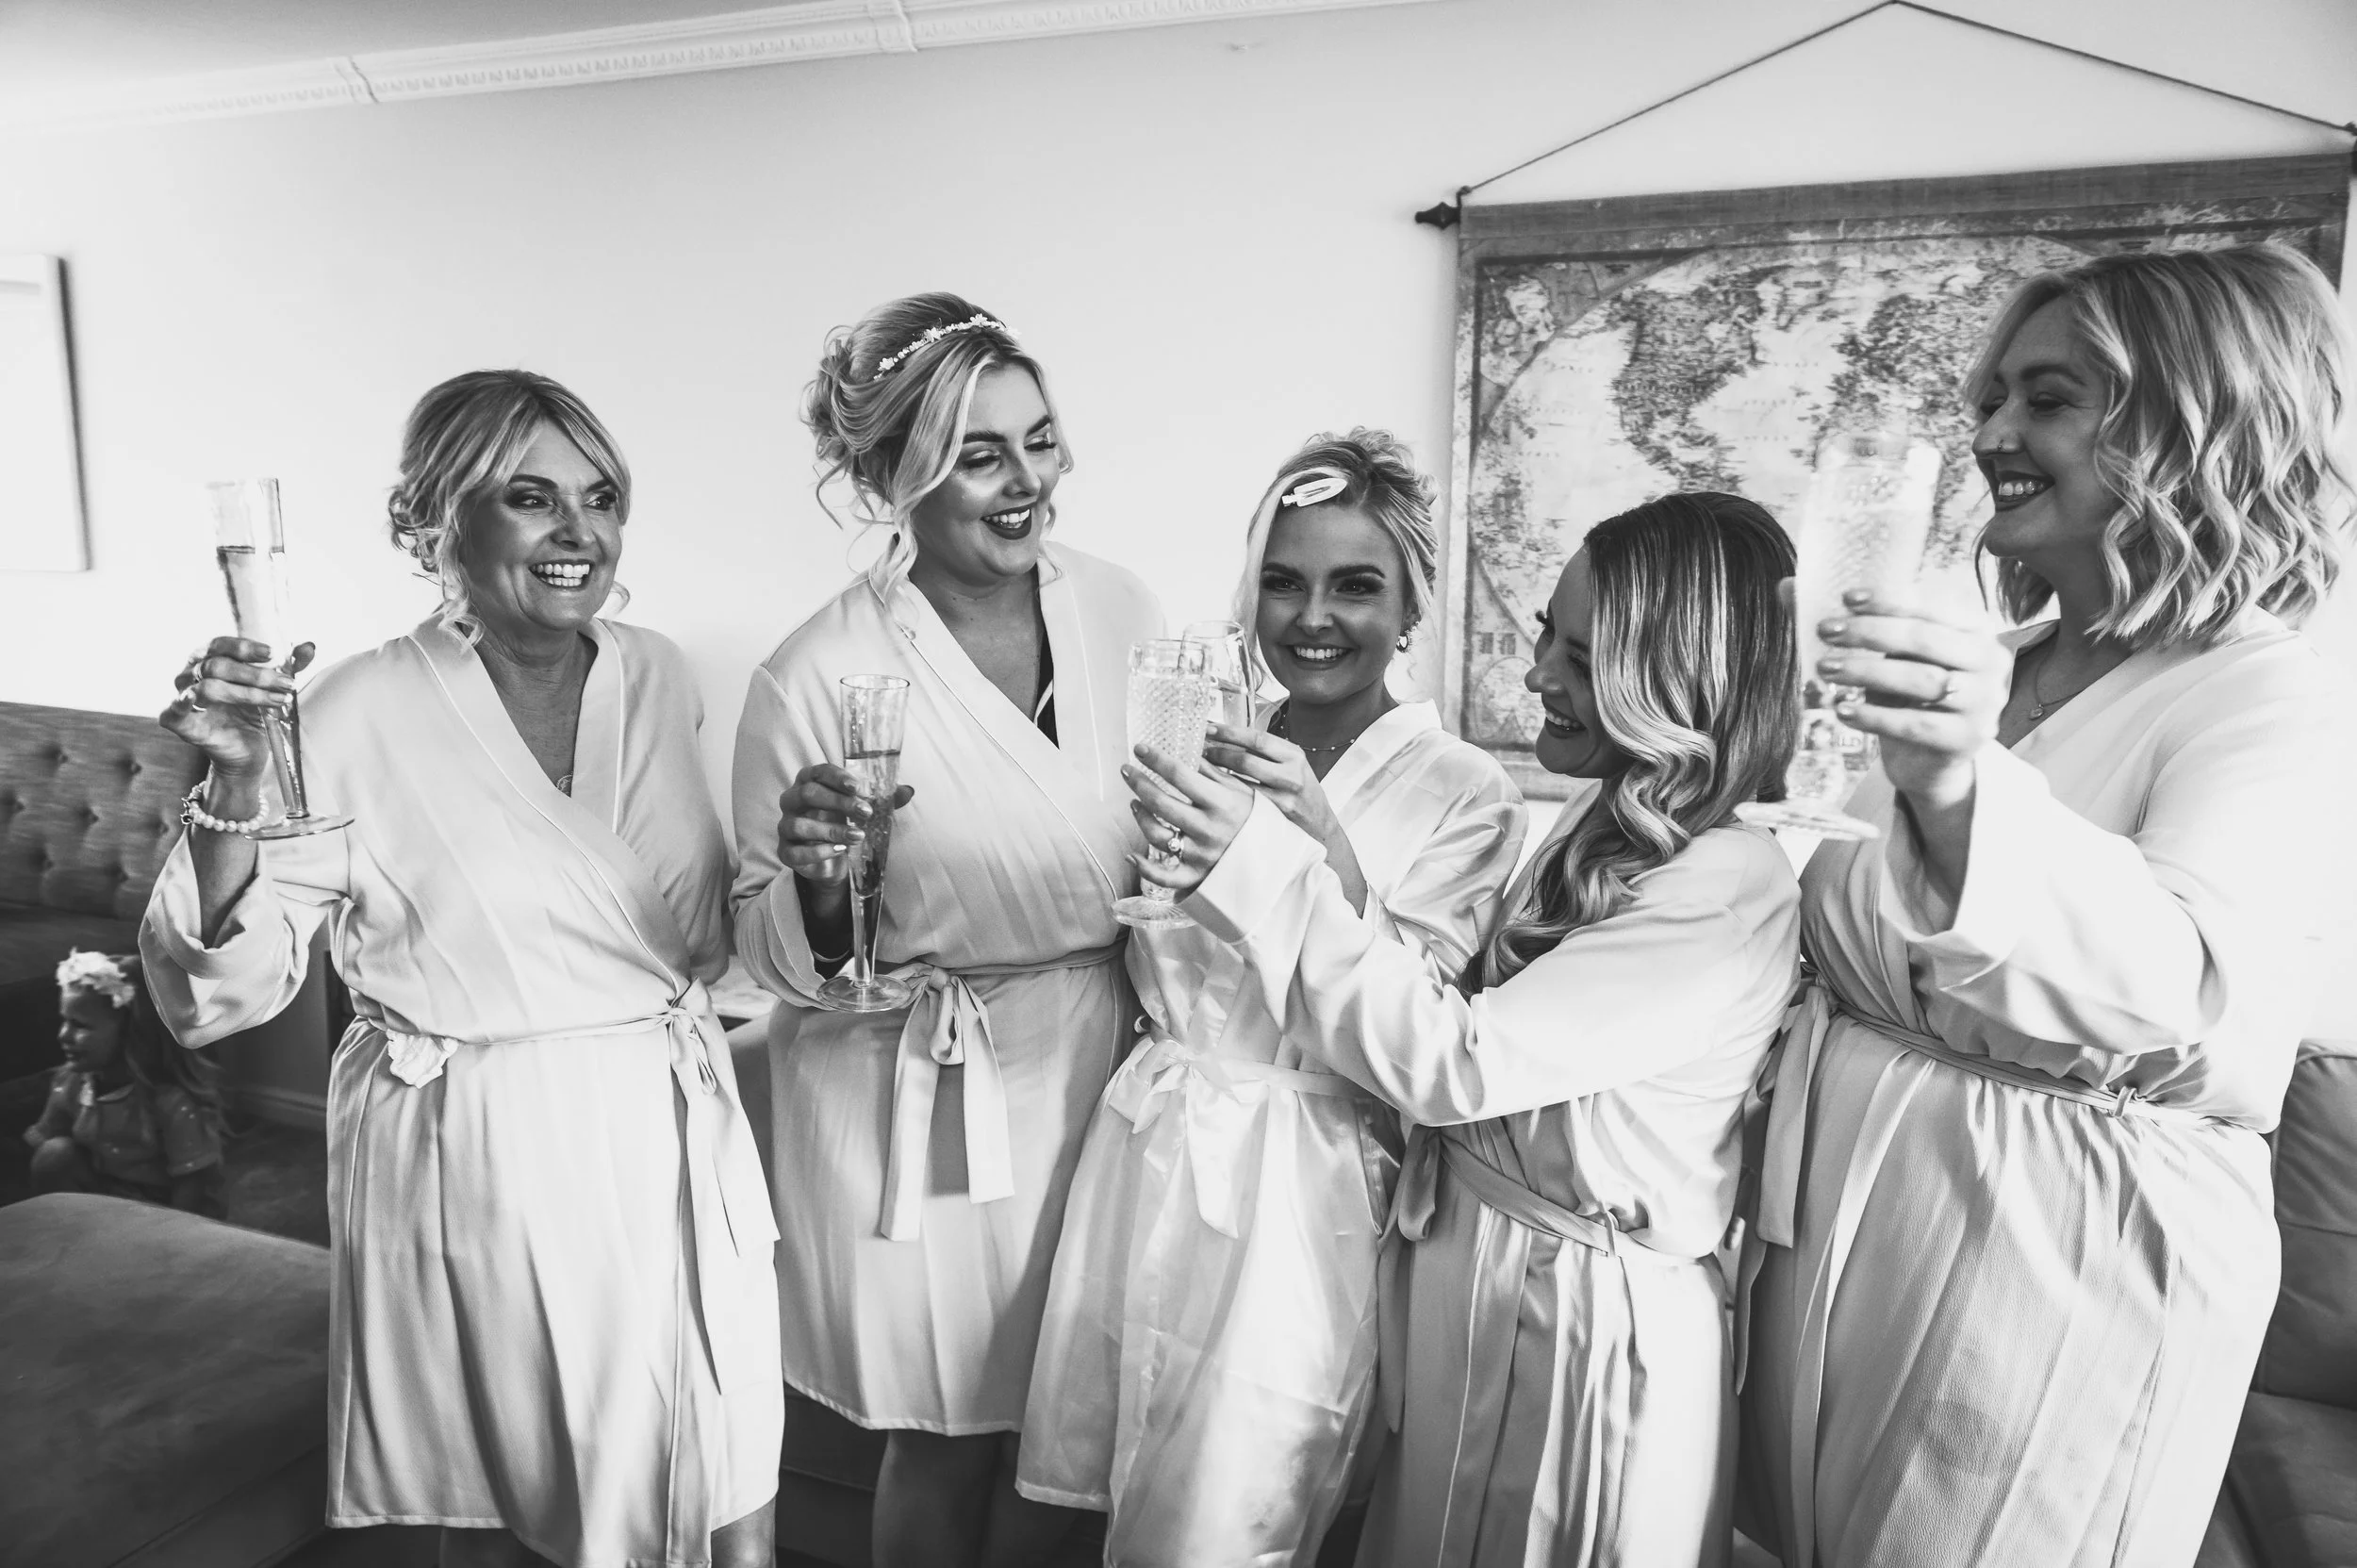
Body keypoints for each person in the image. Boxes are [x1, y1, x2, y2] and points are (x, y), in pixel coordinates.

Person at [1739, 243, 2357, 1566]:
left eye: (2050, 399)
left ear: (2192, 428)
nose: (1995, 436)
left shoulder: (2259, 694)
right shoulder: (1987, 666)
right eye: (1992, 400)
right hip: (1847, 1221)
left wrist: (1960, 779)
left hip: (2056, 1250)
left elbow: (2185, 993)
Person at [140, 370, 781, 1568]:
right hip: (486, 1150)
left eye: (600, 497)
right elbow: (219, 986)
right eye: (530, 496)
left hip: (674, 1131)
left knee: (723, 1469)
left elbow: (705, 932)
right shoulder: (353, 710)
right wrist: (231, 784)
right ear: (437, 519)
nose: (577, 531)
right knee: (529, 1504)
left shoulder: (656, 675)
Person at [1129, 492, 1803, 1566]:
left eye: (1580, 659)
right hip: (1478, 1271)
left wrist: (1256, 869)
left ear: (1674, 682)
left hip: (1584, 1320)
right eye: (1546, 632)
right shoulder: (1607, 821)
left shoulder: (1722, 886)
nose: (1536, 674)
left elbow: (1458, 1058)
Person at [1016, 432, 1528, 1562]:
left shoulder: (1466, 791)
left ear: (1410, 607)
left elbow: (1418, 1018)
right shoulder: (1211, 743)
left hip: (1303, 1187)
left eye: (1355, 586)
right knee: (1100, 1489)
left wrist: (1318, 841)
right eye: (1284, 582)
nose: (1311, 616)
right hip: (1147, 1148)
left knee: (1226, 1517)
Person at [732, 293, 1160, 1568]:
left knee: (1064, 1415)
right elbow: (759, 944)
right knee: (947, 1424)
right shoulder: (816, 673)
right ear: (894, 473)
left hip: (1100, 1059)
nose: (1029, 481)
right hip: (914, 1089)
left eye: (1040, 439)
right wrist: (819, 880)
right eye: (981, 453)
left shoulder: (1120, 608)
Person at [26, 949, 226, 1216]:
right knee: (54, 1155)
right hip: (105, 1192)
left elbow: (191, 1185)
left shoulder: (170, 1101)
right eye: (65, 1021)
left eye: (80, 1025)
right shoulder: (70, 1083)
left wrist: (171, 1238)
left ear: (131, 1033)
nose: (64, 1035)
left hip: (159, 1209)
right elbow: (45, 1146)